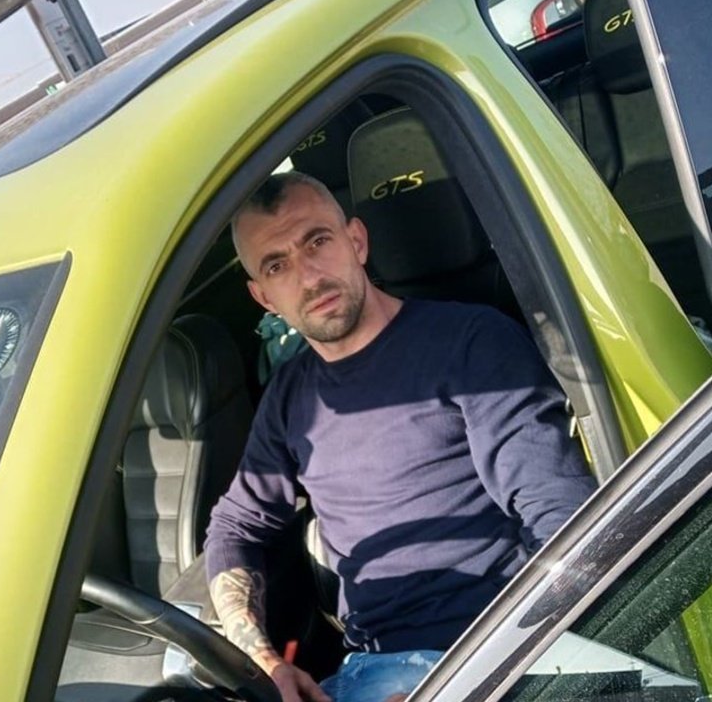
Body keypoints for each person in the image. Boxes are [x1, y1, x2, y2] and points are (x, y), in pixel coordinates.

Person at [204, 171, 597, 702]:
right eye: (277, 265)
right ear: (263, 296)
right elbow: (235, 528)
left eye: (317, 241)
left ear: (357, 241)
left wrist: (493, 669)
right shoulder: (289, 396)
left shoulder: (470, 343)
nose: (308, 276)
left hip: (495, 648)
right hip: (368, 668)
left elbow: (560, 516)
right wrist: (264, 661)